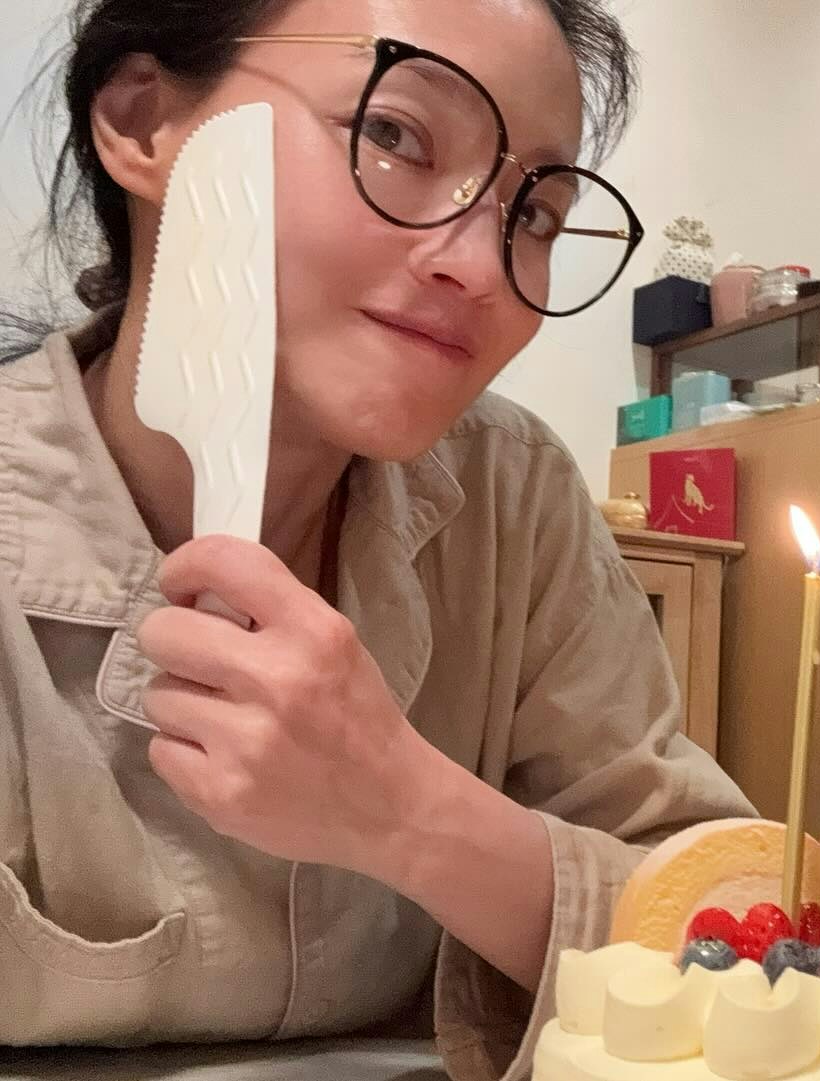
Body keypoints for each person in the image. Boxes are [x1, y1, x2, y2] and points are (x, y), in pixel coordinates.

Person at [0, 1, 751, 1078]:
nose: (482, 266)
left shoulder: (512, 498)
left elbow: (734, 925)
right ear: (143, 123)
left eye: (536, 215)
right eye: (396, 135)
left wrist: (407, 812)